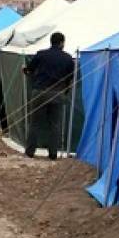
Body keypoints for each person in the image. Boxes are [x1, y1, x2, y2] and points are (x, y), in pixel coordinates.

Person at [22, 32, 75, 160]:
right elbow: (70, 78)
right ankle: (53, 154)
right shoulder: (68, 58)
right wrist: (65, 91)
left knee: (35, 123)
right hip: (57, 93)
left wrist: (24, 70)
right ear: (62, 43)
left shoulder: (41, 55)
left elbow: (29, 70)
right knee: (55, 125)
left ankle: (30, 152)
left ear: (51, 42)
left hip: (39, 92)